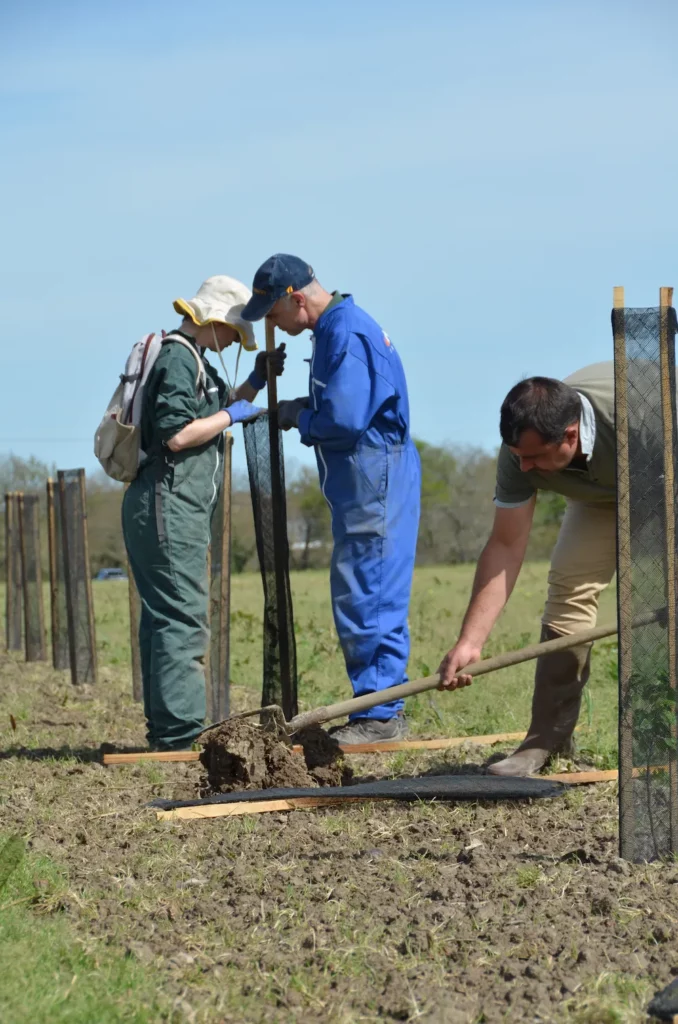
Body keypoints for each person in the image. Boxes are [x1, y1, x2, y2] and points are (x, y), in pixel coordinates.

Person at [241, 254, 421, 744]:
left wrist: (297, 418)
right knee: (361, 590)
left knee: (370, 593)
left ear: (296, 298)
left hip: (374, 477)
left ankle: (380, 716)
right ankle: (378, 708)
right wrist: (304, 406)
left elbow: (344, 422)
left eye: (274, 315)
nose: (273, 325)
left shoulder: (345, 332)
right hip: (365, 478)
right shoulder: (333, 330)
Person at [122, 275, 286, 751]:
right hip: (167, 504)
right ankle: (180, 737)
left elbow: (211, 410)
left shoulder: (190, 358)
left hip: (168, 504)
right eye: (235, 332)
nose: (235, 340)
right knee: (182, 617)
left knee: (165, 617)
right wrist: (235, 417)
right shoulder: (178, 357)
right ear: (215, 321)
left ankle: (168, 734)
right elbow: (178, 434)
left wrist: (255, 381)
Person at [438, 362, 618, 776]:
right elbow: (505, 545)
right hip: (599, 497)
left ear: (570, 435)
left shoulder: (644, 418)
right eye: (519, 456)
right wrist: (470, 641)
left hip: (662, 468)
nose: (523, 468)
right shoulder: (520, 450)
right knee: (568, 591)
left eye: (534, 457)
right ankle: (546, 742)